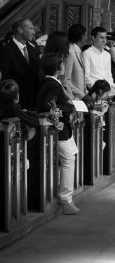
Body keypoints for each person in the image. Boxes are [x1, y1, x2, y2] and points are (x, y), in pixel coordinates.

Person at [36, 53, 79, 215]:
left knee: (70, 156)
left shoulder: (51, 82)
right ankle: (65, 198)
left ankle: (62, 193)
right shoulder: (52, 84)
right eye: (62, 64)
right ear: (58, 68)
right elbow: (48, 107)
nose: (63, 66)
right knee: (68, 159)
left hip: (59, 128)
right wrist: (70, 106)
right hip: (56, 128)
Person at [0, 18, 41, 110]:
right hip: (17, 106)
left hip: (34, 105)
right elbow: (6, 81)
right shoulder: (6, 51)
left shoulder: (34, 50)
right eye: (30, 28)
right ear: (20, 30)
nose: (33, 32)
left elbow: (37, 77)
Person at [82, 26, 115, 94]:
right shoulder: (87, 53)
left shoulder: (107, 55)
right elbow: (86, 77)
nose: (104, 40)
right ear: (93, 38)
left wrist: (110, 88)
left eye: (105, 37)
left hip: (107, 92)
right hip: (94, 91)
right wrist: (97, 90)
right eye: (101, 38)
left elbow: (109, 74)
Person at [64, 24, 86, 100]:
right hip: (73, 96)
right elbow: (66, 79)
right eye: (84, 35)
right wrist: (81, 94)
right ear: (81, 36)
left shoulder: (77, 50)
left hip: (80, 94)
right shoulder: (70, 51)